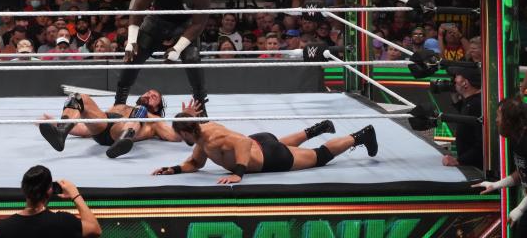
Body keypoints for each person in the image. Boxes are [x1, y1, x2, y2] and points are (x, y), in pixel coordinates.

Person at [153, 102, 377, 183]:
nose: (180, 139)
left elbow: (242, 142)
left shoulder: (212, 138)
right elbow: (196, 163)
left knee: (320, 157)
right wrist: (173, 169)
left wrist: (238, 173)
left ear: (187, 132)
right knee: (279, 144)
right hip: (265, 142)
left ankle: (362, 135)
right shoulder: (202, 137)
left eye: (181, 135)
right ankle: (316, 129)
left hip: (271, 158)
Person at [117, 0, 211, 110]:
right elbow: (138, 7)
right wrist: (131, 40)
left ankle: (200, 107)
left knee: (193, 57)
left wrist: (178, 48)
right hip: (156, 22)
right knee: (133, 53)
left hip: (183, 28)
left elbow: (198, 24)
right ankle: (119, 103)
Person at [38, 89, 179, 159]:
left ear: (156, 107)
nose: (148, 95)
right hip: (102, 128)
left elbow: (175, 136)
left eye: (153, 97)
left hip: (120, 132)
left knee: (140, 110)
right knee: (78, 97)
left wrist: (189, 119)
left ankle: (124, 139)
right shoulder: (120, 107)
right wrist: (55, 124)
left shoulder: (154, 120)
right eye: (147, 93)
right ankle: (61, 133)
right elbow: (86, 129)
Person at [0, 164, 101, 238]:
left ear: (23, 189)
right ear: (50, 190)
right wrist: (75, 194)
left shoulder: (4, 228)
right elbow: (95, 229)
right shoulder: (63, 222)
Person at [473, 98, 527, 233]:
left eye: (499, 116)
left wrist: (521, 208)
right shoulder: (516, 138)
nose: (496, 120)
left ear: (509, 121)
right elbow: (523, 172)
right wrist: (497, 185)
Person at [441, 66, 482, 169]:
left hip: (476, 168)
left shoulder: (476, 105)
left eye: (457, 77)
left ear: (465, 83)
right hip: (471, 164)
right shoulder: (473, 101)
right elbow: (467, 117)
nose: (454, 80)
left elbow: (482, 144)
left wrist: (458, 161)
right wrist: (455, 98)